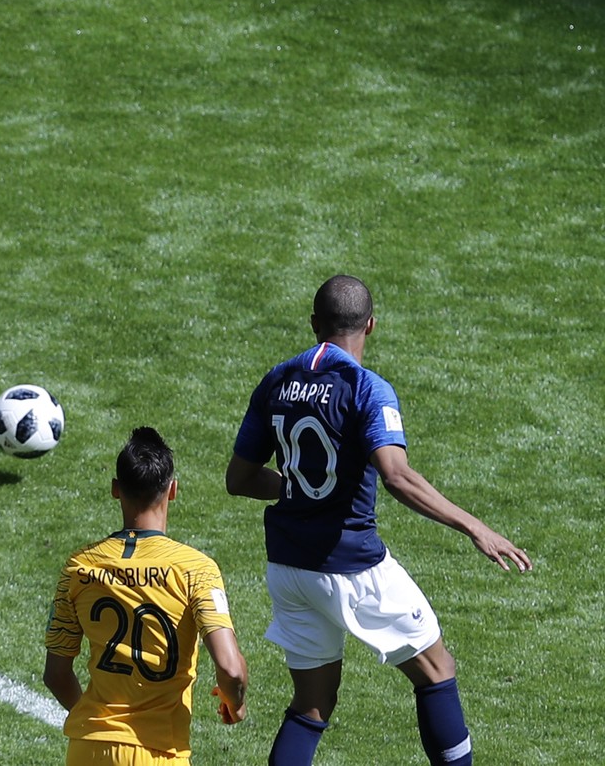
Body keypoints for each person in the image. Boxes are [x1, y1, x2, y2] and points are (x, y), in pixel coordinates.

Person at [225, 274, 533, 765]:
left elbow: (238, 479)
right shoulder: (367, 388)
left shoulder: (276, 380)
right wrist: (476, 527)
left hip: (287, 569)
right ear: (371, 325)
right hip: (354, 568)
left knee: (311, 705)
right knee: (437, 669)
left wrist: (298, 488)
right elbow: (396, 476)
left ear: (313, 324)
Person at [44, 427, 249, 766]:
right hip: (158, 752)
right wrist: (235, 701)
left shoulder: (79, 567)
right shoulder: (195, 569)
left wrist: (99, 723)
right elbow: (231, 669)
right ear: (172, 490)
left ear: (115, 489)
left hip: (88, 750)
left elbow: (56, 675)